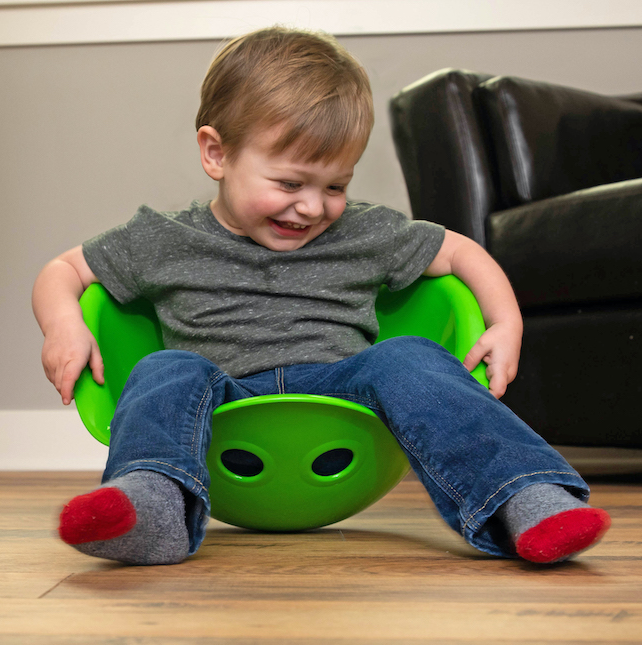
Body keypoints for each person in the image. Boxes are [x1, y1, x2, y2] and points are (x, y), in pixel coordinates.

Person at [32, 26, 610, 566]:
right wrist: (64, 326)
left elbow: (460, 252)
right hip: (221, 408)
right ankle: (150, 507)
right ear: (216, 154)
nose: (312, 207)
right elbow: (63, 269)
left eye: (336, 185)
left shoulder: (365, 231)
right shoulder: (162, 239)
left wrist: (506, 323)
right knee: (167, 368)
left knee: (408, 355)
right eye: (289, 183)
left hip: (345, 397)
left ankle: (524, 498)